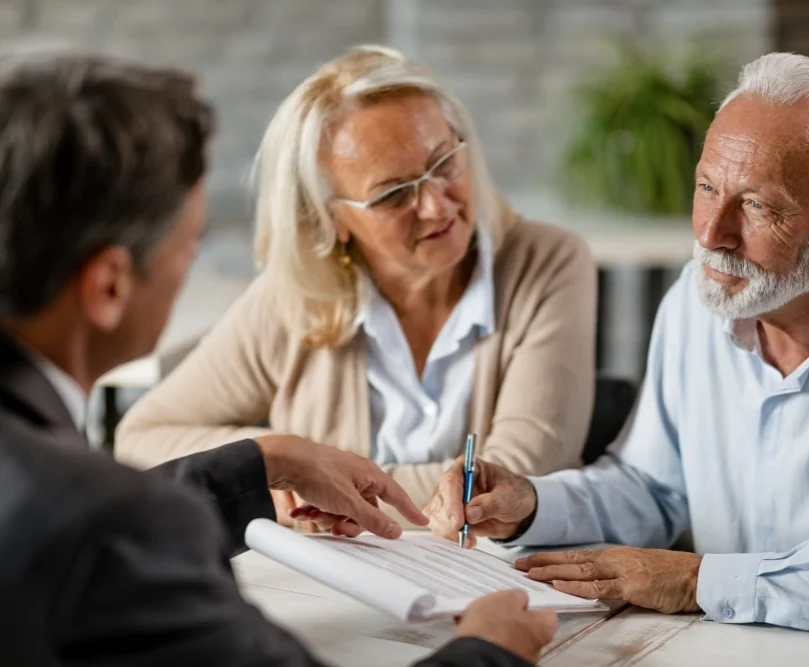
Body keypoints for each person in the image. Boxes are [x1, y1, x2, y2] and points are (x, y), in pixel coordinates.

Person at [0, 48, 558, 666]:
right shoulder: (121, 528)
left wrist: (267, 459)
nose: (193, 266)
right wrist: (490, 652)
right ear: (108, 286)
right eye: (190, 245)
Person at [426, 52, 809, 635]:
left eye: (756, 205)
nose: (709, 234)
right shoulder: (695, 300)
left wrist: (699, 581)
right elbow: (652, 489)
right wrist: (532, 503)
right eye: (707, 186)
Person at [113, 44, 597, 525]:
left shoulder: (548, 262)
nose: (436, 205)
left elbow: (517, 482)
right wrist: (278, 461)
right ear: (330, 219)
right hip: (332, 588)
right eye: (393, 193)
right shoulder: (295, 296)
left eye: (444, 162)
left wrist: (325, 484)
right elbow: (142, 438)